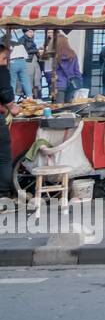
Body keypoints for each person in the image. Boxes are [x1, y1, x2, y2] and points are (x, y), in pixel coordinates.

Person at [0, 43, 17, 198]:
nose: (6, 62)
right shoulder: (2, 71)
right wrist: (12, 108)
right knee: (4, 158)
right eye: (4, 58)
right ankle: (3, 194)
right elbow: (6, 94)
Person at [52, 32, 82, 103]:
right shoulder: (72, 54)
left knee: (59, 108)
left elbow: (51, 71)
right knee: (69, 106)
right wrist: (79, 82)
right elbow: (77, 70)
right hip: (72, 83)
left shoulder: (55, 55)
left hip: (59, 84)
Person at [10, 29, 38, 100]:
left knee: (12, 82)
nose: (32, 34)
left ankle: (11, 100)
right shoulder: (23, 40)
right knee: (25, 81)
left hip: (13, 61)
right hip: (23, 61)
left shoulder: (19, 40)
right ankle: (30, 98)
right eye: (30, 32)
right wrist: (37, 50)